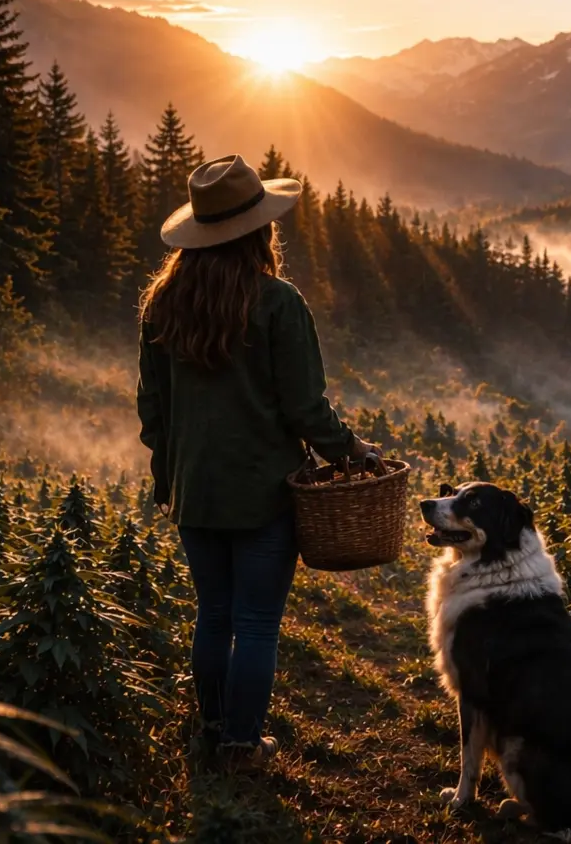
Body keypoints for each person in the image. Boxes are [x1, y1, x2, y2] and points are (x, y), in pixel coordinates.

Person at [137, 154, 378, 765]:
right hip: (264, 492)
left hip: (195, 490)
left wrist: (169, 477)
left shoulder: (162, 305)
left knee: (213, 615)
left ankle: (213, 729)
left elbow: (152, 409)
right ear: (258, 231)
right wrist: (353, 452)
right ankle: (243, 744)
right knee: (256, 623)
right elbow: (305, 408)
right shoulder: (277, 302)